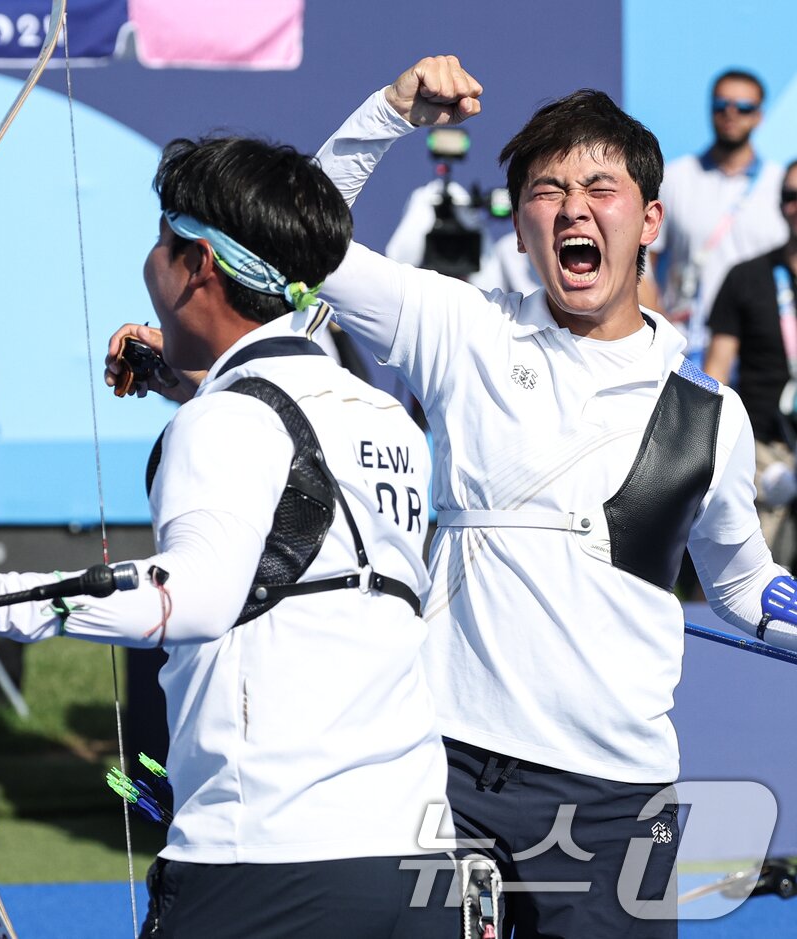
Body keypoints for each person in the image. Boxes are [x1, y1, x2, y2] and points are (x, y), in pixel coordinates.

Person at [0, 136, 458, 936]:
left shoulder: (225, 420)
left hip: (270, 865)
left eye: (160, 243)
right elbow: (296, 513)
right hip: (414, 857)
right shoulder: (383, 416)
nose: (149, 267)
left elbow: (189, 598)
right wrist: (193, 382)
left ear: (200, 267)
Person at [301, 55, 797, 939]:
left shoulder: (709, 413)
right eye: (546, 188)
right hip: (440, 778)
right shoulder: (462, 327)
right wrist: (386, 111)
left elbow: (745, 581)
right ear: (522, 223)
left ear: (648, 220)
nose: (573, 207)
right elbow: (288, 240)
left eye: (599, 186)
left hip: (617, 806)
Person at [650, 69, 787, 361]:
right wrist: (659, 327)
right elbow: (641, 262)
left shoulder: (781, 186)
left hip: (759, 352)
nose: (731, 114)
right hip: (689, 347)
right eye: (721, 105)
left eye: (744, 107)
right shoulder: (675, 177)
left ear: (759, 116)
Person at [704, 158, 797, 568]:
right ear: (780, 204)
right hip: (766, 453)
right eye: (791, 196)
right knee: (762, 580)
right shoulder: (747, 276)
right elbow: (716, 371)